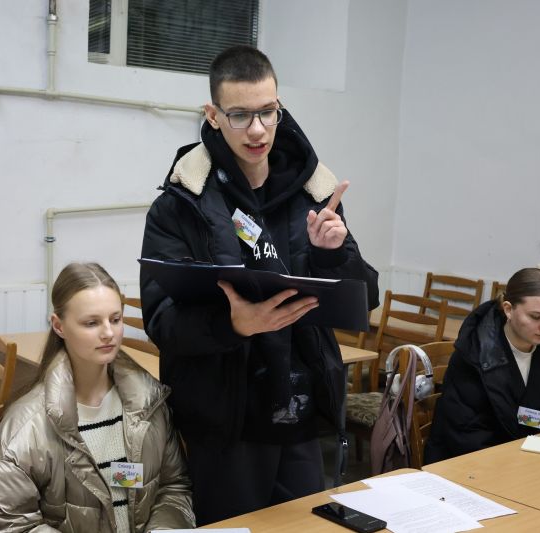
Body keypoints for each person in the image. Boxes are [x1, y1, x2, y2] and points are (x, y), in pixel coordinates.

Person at [139, 45, 379, 525]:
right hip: (225, 422)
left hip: (301, 410)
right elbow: (161, 321)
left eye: (268, 112)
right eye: (240, 115)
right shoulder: (180, 205)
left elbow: (363, 301)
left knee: (304, 526)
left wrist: (334, 253)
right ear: (213, 115)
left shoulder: (313, 194)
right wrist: (234, 325)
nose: (257, 130)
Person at [0, 263, 195, 532]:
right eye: (91, 323)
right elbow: (9, 523)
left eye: (115, 319)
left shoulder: (149, 402)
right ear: (59, 326)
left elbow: (172, 487)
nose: (108, 333)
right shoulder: (26, 427)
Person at [424, 267, 540, 464]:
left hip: (534, 458)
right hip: (475, 462)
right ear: (508, 309)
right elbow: (466, 434)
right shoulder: (473, 355)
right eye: (536, 317)